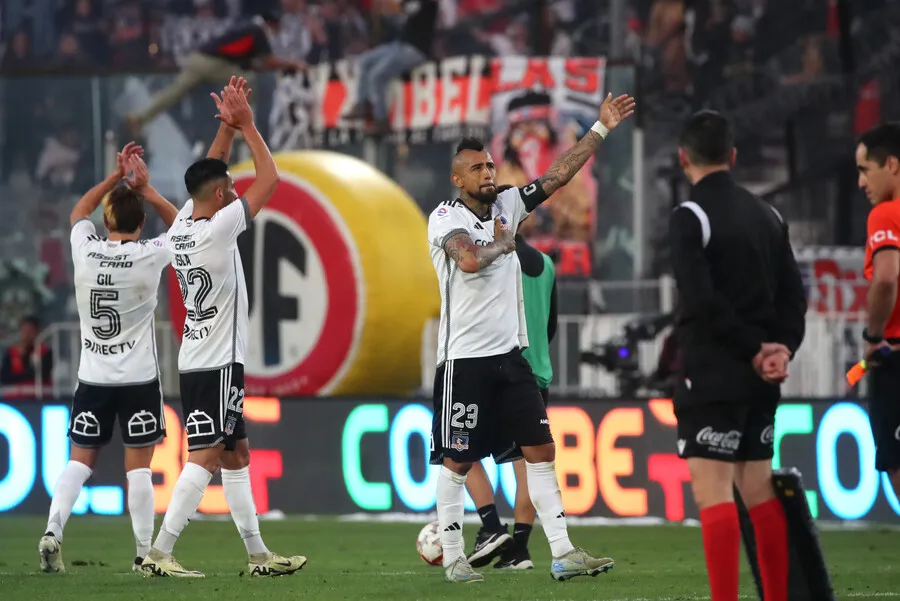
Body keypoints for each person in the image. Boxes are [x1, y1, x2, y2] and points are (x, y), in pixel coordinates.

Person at [426, 91, 635, 583]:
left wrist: (600, 128)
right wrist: (504, 242)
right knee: (458, 459)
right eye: (477, 168)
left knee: (541, 450)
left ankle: (562, 552)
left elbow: (558, 174)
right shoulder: (445, 218)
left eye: (490, 165)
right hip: (464, 361)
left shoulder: (508, 202)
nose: (488, 173)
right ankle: (454, 557)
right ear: (458, 179)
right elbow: (469, 260)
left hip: (510, 358)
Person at [140, 79, 305, 578]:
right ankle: (160, 552)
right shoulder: (219, 228)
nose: (235, 191)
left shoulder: (183, 226)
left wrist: (227, 129)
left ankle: (258, 555)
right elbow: (270, 178)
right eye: (229, 188)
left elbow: (211, 169)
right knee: (208, 457)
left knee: (236, 456)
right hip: (218, 361)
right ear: (219, 195)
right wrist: (249, 125)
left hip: (197, 357)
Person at [668, 110, 808, 601]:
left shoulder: (691, 216)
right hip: (762, 380)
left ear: (683, 158)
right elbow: (794, 297)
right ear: (732, 155)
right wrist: (780, 350)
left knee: (714, 494)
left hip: (714, 373)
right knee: (758, 490)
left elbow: (701, 301)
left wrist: (753, 350)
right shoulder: (769, 215)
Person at [38, 141, 179, 574]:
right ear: (142, 223)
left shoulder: (86, 248)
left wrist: (115, 177)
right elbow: (184, 227)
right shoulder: (149, 255)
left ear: (106, 220)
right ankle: (143, 554)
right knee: (139, 471)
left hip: (93, 377)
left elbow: (78, 212)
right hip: (138, 380)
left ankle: (53, 531)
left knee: (79, 461)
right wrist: (148, 190)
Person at [464, 216, 558, 571]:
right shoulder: (546, 264)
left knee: (458, 449)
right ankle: (519, 550)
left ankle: (491, 527)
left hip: (501, 368)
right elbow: (551, 324)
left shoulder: (496, 260)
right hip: (538, 373)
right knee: (529, 469)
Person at [126, 9, 305, 135]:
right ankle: (241, 127)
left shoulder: (248, 28)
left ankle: (140, 117)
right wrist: (294, 64)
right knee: (247, 81)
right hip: (212, 63)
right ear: (272, 23)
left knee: (174, 92)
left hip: (198, 59)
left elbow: (252, 61)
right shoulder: (258, 30)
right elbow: (268, 61)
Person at [857, 122, 900, 497]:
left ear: (892, 165)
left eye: (865, 170)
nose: (861, 182)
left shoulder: (886, 214)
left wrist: (873, 338)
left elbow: (886, 278)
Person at [344, 0, 437, 134]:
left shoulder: (428, 4)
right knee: (364, 61)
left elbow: (405, 9)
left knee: (377, 76)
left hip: (416, 49)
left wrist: (393, 7)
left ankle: (381, 119)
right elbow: (396, 13)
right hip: (399, 44)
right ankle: (362, 104)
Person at [0, 316, 53, 392]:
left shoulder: (46, 352)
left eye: (31, 331)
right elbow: (4, 377)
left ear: (37, 332)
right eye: (24, 330)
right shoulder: (11, 352)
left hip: (38, 394)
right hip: (13, 394)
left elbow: (41, 375)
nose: (27, 334)